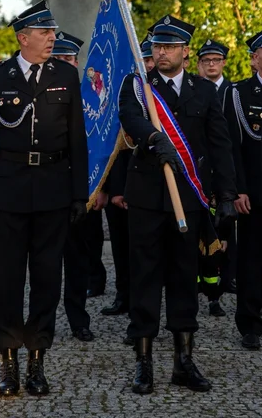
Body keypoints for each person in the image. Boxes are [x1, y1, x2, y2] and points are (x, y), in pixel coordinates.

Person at [0, 1, 89, 397]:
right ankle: (8, 362)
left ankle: (37, 360)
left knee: (46, 279)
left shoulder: (66, 77)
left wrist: (78, 194)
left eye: (53, 33)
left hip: (54, 190)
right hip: (7, 190)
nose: (52, 38)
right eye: (44, 33)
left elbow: (77, 139)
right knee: (4, 280)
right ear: (23, 38)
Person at [118, 15, 238, 394]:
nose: (161, 52)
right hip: (148, 199)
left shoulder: (204, 91)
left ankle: (184, 361)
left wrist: (228, 194)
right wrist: (155, 136)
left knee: (185, 279)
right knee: (145, 278)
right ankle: (144, 361)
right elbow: (130, 117)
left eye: (169, 46)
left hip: (189, 197)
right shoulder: (138, 86)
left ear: (186, 52)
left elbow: (220, 145)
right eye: (157, 46)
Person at [224, 26, 262, 350]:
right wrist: (237, 190)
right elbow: (232, 146)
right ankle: (250, 324)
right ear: (254, 59)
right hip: (250, 194)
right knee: (249, 263)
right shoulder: (239, 93)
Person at [52, 30, 105, 341]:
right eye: (59, 58)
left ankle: (78, 320)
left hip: (84, 190)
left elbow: (101, 146)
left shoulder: (91, 95)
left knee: (78, 259)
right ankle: (42, 319)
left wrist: (98, 187)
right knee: (46, 260)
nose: (66, 63)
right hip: (50, 187)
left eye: (70, 58)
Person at [102, 38, 154, 323]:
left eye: (149, 60)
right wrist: (113, 190)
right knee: (121, 247)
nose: (146, 65)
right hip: (120, 186)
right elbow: (115, 149)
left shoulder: (161, 95)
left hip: (150, 187)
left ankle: (145, 304)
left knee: (145, 250)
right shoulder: (122, 94)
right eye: (141, 61)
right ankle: (123, 295)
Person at [196, 38, 237, 308]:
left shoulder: (234, 93)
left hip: (225, 171)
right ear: (199, 64)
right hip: (198, 171)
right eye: (206, 60)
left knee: (224, 234)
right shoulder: (193, 90)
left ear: (223, 63)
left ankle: (223, 283)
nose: (211, 65)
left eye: (216, 60)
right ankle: (202, 283)